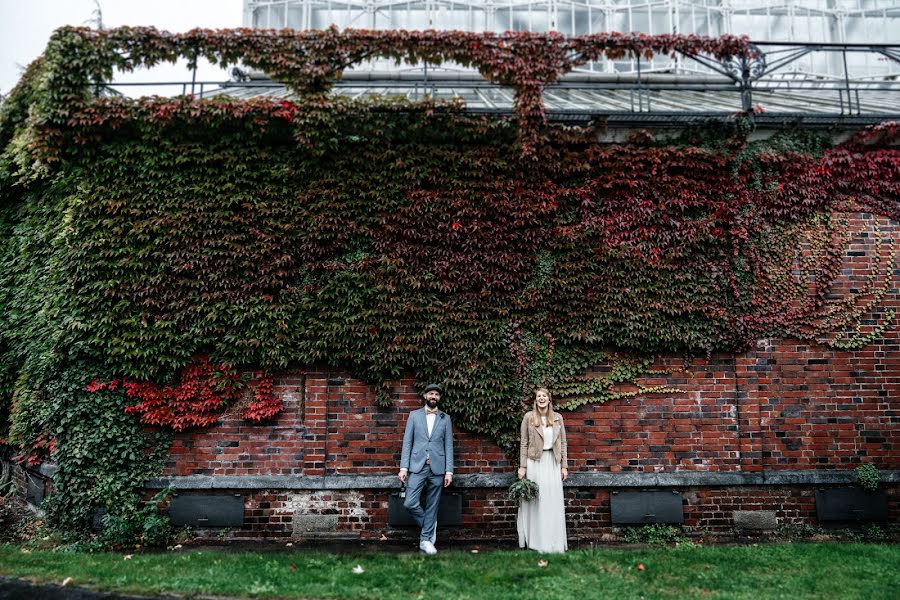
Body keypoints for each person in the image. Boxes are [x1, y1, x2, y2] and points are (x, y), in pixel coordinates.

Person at [398, 383, 454, 555]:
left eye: (436, 394)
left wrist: (449, 471)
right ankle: (429, 526)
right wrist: (403, 467)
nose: (433, 397)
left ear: (439, 398)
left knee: (432, 505)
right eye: (431, 393)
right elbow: (407, 443)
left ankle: (425, 540)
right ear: (425, 396)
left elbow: (448, 446)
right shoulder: (414, 416)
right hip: (417, 466)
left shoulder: (446, 418)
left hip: (438, 468)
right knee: (410, 502)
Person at [517, 386, 568, 553]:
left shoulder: (558, 418)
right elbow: (523, 443)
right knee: (537, 501)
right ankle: (537, 542)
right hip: (535, 463)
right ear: (535, 400)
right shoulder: (529, 417)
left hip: (553, 463)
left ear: (548, 398)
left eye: (544, 396)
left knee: (552, 502)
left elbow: (563, 443)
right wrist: (523, 466)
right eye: (538, 396)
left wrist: (564, 466)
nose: (541, 398)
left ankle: (554, 542)